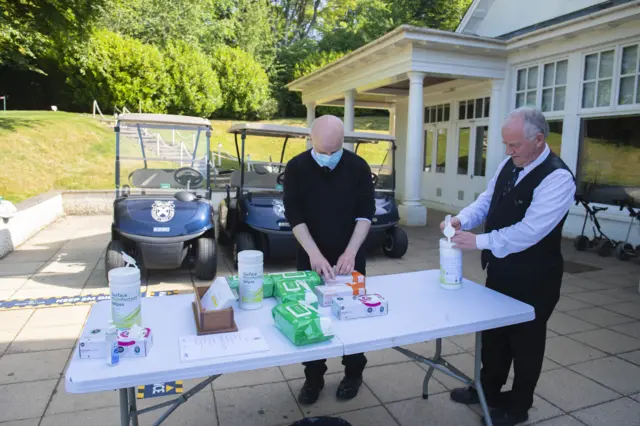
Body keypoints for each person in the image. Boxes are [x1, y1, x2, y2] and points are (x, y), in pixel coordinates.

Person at [443, 107, 576, 426]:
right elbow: (487, 201)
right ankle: (487, 389)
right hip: (502, 270)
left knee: (525, 343)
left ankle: (518, 407)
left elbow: (530, 232)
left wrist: (478, 242)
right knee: (495, 336)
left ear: (539, 140)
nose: (508, 150)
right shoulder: (510, 163)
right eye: (505, 144)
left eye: (514, 144)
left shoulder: (558, 178)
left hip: (535, 277)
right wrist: (463, 218)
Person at [282, 114, 375, 405]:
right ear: (311, 141)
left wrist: (351, 252)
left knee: (354, 318)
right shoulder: (296, 167)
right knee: (311, 317)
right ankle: (313, 377)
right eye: (323, 152)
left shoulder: (358, 167)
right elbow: (294, 216)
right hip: (311, 254)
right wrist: (314, 254)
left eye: (335, 151)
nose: (329, 157)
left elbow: (365, 214)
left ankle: (354, 373)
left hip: (350, 254)